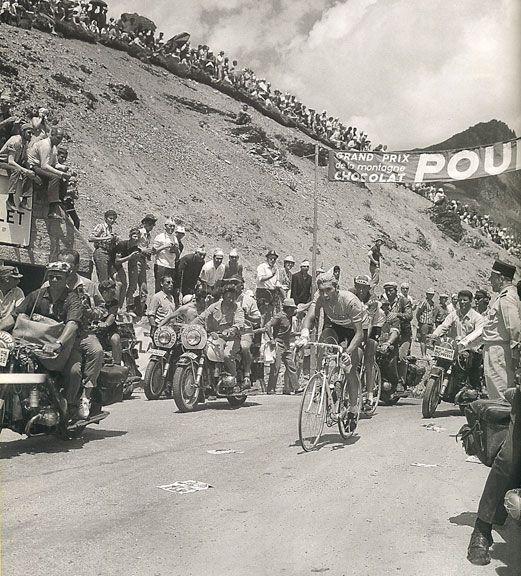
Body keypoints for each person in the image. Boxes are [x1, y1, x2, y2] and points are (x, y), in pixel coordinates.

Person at [4, 262, 88, 418]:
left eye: (58, 277)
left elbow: (72, 324)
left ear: (67, 278)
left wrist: (58, 343)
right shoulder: (37, 295)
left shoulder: (72, 299)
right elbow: (15, 315)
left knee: (74, 371)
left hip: (64, 345)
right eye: (51, 276)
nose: (54, 280)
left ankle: (70, 407)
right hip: (33, 343)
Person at [299, 271, 366, 432]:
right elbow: (310, 315)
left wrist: (348, 352)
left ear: (336, 288)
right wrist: (304, 334)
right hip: (336, 326)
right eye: (321, 290)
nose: (325, 294)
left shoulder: (350, 300)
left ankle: (353, 408)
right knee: (323, 338)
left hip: (356, 330)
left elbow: (359, 334)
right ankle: (325, 377)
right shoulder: (319, 296)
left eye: (328, 290)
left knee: (350, 369)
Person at [459, 260, 520, 400]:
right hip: (494, 349)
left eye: (492, 277)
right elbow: (488, 327)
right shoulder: (503, 296)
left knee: (501, 393)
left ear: (501, 278)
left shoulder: (507, 297)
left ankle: (503, 421)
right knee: (496, 391)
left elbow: (514, 326)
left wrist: (515, 351)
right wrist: (466, 343)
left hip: (499, 351)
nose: (490, 280)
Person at [59, 249, 105, 417]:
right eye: (60, 263)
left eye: (68, 264)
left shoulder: (88, 285)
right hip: (57, 333)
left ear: (76, 266)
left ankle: (85, 397)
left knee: (96, 351)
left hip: (82, 334)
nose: (63, 268)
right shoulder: (52, 282)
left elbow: (102, 309)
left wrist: (91, 312)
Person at [193, 279, 245, 389]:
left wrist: (232, 329)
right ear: (223, 296)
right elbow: (202, 318)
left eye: (232, 296)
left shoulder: (237, 308)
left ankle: (234, 381)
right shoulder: (214, 306)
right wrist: (190, 327)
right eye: (228, 296)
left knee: (226, 355)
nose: (230, 299)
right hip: (216, 337)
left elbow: (239, 323)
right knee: (203, 351)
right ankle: (209, 380)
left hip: (231, 338)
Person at [26, 127, 69, 219]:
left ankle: (59, 201)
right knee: (55, 177)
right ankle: (52, 209)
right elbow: (44, 165)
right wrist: (60, 173)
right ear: (52, 135)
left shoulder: (53, 147)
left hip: (42, 167)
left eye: (61, 139)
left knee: (63, 180)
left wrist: (63, 168)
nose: (59, 141)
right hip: (34, 166)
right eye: (57, 138)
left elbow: (55, 163)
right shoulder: (45, 145)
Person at [260, 297, 299, 394]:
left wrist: (298, 334)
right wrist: (272, 339)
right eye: (292, 308)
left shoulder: (290, 317)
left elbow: (286, 332)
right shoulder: (279, 316)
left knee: (291, 365)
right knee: (276, 367)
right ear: (288, 308)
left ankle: (296, 387)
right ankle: (271, 389)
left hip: (286, 344)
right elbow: (268, 326)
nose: (294, 310)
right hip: (278, 344)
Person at [0, 122, 39, 211]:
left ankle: (24, 200)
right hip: (3, 162)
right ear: (23, 131)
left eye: (32, 133)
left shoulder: (25, 143)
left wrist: (30, 170)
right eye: (29, 132)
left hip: (13, 162)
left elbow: (25, 159)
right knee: (16, 170)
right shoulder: (15, 141)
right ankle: (10, 199)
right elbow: (11, 161)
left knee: (30, 172)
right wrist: (25, 170)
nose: (31, 135)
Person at [383, 281, 413, 381]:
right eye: (386, 291)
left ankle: (400, 380)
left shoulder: (404, 301)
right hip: (389, 333)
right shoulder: (383, 301)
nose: (388, 293)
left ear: (396, 291)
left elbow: (409, 315)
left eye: (390, 290)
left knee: (401, 357)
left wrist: (397, 314)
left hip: (404, 335)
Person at [236, 277, 261, 390]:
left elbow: (258, 319)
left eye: (239, 284)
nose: (237, 286)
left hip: (245, 331)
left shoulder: (250, 301)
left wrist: (248, 317)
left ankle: (246, 375)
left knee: (244, 347)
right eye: (234, 284)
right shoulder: (224, 300)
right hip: (228, 332)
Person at [111, 227, 142, 311]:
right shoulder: (122, 244)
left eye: (138, 237)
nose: (136, 239)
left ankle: (119, 307)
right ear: (130, 236)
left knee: (125, 284)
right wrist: (129, 257)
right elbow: (117, 261)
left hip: (118, 265)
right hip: (111, 263)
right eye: (134, 236)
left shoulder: (135, 248)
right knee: (119, 284)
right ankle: (114, 307)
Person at [95, 279, 121, 365]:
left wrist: (105, 324)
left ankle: (117, 364)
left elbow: (112, 316)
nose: (113, 294)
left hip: (109, 330)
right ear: (104, 292)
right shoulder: (95, 301)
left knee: (115, 339)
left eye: (113, 292)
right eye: (111, 292)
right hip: (94, 329)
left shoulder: (114, 302)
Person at [89, 209, 118, 282]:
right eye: (110, 218)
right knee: (104, 279)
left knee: (115, 278)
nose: (112, 220)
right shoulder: (101, 226)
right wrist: (107, 238)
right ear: (105, 218)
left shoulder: (110, 229)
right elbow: (91, 238)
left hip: (108, 253)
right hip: (101, 252)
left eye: (114, 219)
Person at [152, 217, 179, 293]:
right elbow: (153, 252)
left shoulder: (175, 238)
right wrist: (165, 246)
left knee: (169, 288)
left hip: (171, 265)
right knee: (159, 287)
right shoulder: (159, 237)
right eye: (170, 226)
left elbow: (177, 254)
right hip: (161, 264)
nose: (172, 228)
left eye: (173, 226)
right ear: (165, 226)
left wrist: (175, 249)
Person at [416, 289, 436, 357]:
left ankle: (425, 353)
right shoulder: (423, 302)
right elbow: (418, 312)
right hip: (424, 323)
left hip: (430, 323)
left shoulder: (432, 303)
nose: (431, 296)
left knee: (427, 340)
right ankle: (423, 354)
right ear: (427, 294)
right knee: (423, 339)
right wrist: (420, 321)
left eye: (432, 294)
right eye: (430, 294)